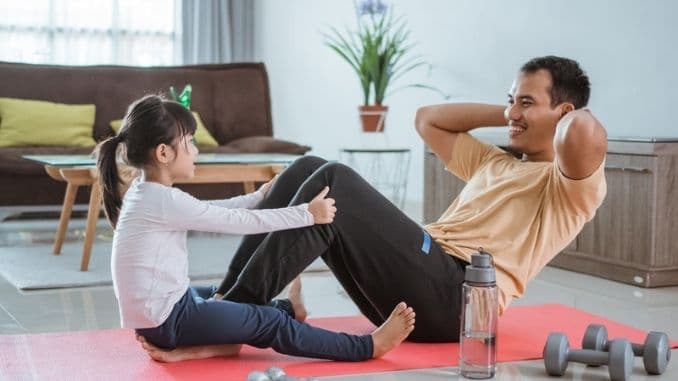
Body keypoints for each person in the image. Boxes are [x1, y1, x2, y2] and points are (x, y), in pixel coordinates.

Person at [139, 55, 607, 360]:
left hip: (460, 298)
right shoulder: (494, 160)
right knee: (308, 166)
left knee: (334, 181)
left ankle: (230, 319)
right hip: (418, 281)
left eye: (526, 102)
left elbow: (582, 134)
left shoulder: (568, 189)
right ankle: (230, 306)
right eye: (511, 100)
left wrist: (544, 116)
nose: (512, 112)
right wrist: (512, 110)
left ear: (563, 113)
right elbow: (429, 120)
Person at [96, 94, 416, 363]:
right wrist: (306, 214)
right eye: (189, 143)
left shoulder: (147, 192)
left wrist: (257, 196)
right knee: (269, 323)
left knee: (221, 295)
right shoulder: (162, 201)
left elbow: (211, 211)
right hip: (168, 320)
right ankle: (366, 347)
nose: (196, 151)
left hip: (162, 313)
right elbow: (238, 223)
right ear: (163, 152)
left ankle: (288, 310)